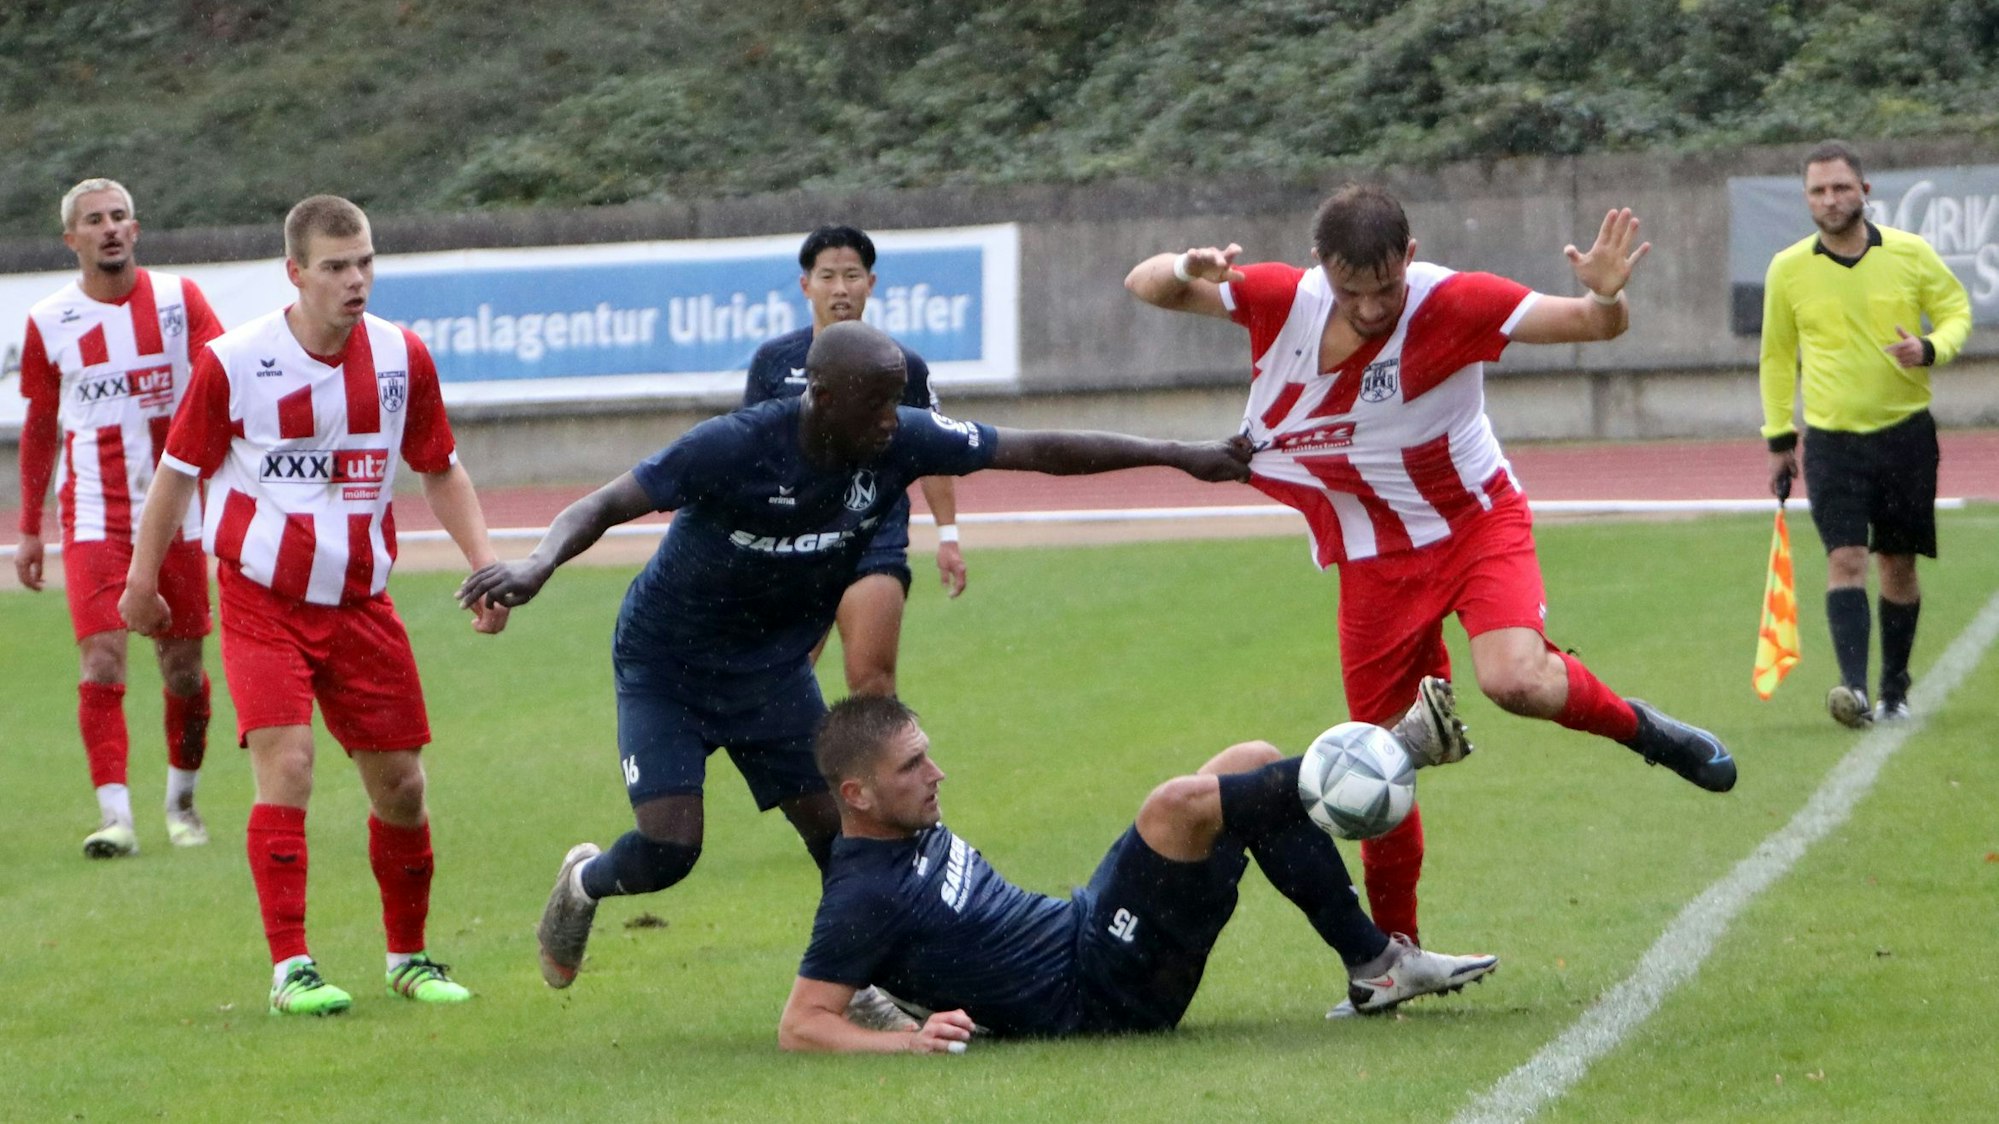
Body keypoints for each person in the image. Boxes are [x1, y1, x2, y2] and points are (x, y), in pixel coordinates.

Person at [456, 320, 1251, 1011]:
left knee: (846, 835)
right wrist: (536, 564)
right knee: (670, 848)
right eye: (875, 403)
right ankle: (584, 883)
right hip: (667, 662)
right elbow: (601, 504)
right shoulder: (736, 444)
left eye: (896, 400)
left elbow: (1037, 449)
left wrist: (1181, 454)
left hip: (769, 670)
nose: (891, 419)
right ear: (823, 397)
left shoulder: (898, 438)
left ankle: (857, 983)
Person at [1124, 184, 1737, 959]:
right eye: (1351, 291)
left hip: (1473, 524)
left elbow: (1590, 324)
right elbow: (1145, 283)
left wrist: (1606, 297)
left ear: (1408, 259)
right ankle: (1398, 957)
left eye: (1386, 288)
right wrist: (1188, 265)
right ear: (1321, 267)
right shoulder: (1282, 298)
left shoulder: (1454, 302)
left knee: (1514, 680)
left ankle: (1644, 731)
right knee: (1378, 757)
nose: (1370, 308)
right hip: (1372, 558)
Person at [120, 195, 508, 1016]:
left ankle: (408, 959)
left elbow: (439, 466)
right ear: (294, 273)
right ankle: (290, 967)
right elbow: (177, 475)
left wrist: (486, 568)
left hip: (362, 604)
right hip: (262, 600)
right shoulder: (235, 361)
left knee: (402, 787)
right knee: (288, 765)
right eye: (336, 267)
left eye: (365, 261)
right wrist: (142, 579)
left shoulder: (402, 357)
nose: (355, 279)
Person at [776, 693, 1499, 1052]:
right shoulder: (860, 892)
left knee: (1246, 762)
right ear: (856, 795)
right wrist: (904, 1040)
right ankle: (1398, 749)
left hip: (1088, 932)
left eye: (926, 755)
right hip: (1099, 996)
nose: (936, 774)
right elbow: (800, 1024)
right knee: (1175, 806)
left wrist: (884, 996)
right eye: (912, 766)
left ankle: (1373, 967)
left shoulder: (904, 826)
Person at [14, 178, 223, 858]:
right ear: (71, 239)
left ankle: (182, 805)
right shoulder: (50, 320)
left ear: (135, 230)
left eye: (119, 217)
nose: (108, 227)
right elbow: (40, 425)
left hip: (177, 515)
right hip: (94, 515)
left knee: (182, 670)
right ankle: (116, 820)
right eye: (94, 220)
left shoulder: (179, 300)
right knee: (102, 661)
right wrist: (28, 527)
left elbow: (226, 381)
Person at [1759, 140, 1973, 729]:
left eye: (1840, 187)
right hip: (1832, 443)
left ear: (1864, 191)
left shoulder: (1910, 253)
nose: (1830, 199)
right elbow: (1776, 357)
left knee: (1898, 565)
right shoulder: (1788, 269)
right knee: (1845, 558)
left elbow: (1956, 311)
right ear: (1807, 199)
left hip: (1905, 435)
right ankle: (1852, 689)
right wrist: (1779, 438)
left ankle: (1893, 691)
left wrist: (1929, 347)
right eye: (1818, 190)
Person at [743, 225, 967, 697]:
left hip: (872, 535)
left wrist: (948, 536)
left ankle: (879, 751)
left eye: (852, 275)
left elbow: (936, 450)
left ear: (871, 283)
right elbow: (750, 454)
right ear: (806, 285)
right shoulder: (773, 361)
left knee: (872, 685)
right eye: (827, 276)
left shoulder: (902, 366)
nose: (840, 289)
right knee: (778, 685)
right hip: (793, 541)